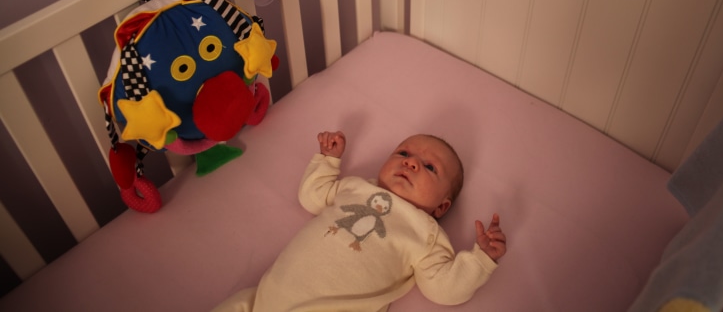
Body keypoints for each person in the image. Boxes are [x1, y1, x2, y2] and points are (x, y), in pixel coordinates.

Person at [212, 131, 506, 312]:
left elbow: (443, 290)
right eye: (403, 152)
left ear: (441, 207)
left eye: (429, 167)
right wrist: (327, 161)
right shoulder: (355, 187)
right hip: (267, 296)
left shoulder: (427, 234)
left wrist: (480, 260)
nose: (410, 162)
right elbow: (313, 198)